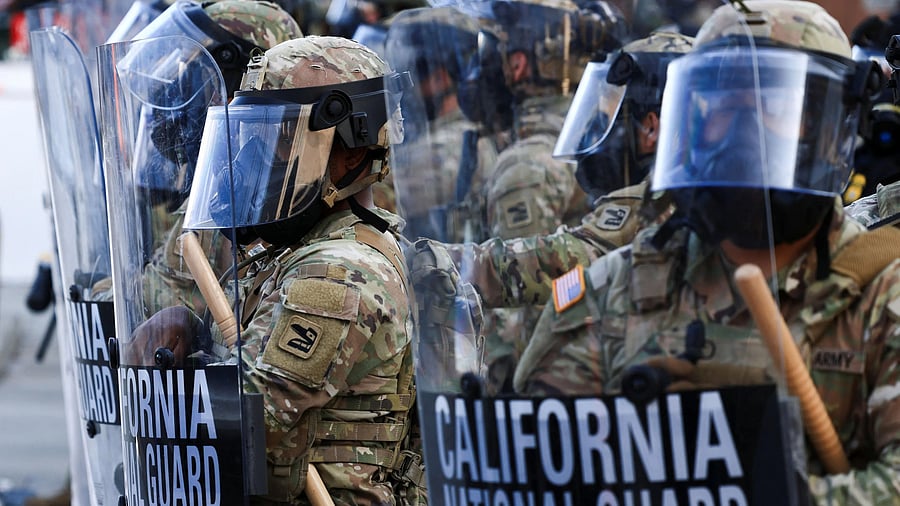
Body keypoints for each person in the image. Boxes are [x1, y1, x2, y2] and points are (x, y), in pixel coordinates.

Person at [514, 1, 900, 502]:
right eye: (721, 102)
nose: (745, 128)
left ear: (830, 127)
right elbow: (536, 473)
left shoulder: (883, 293)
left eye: (775, 105)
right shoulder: (612, 291)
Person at [144, 35, 423, 504]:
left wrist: (155, 380)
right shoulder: (303, 252)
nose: (250, 158)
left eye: (275, 138)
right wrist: (189, 329)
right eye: (249, 135)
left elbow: (242, 426)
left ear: (350, 154)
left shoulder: (337, 274)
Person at [410, 31, 693, 393]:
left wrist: (434, 263)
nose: (599, 130)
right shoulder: (695, 189)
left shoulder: (662, 199)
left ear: (651, 127)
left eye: (610, 115)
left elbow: (571, 257)